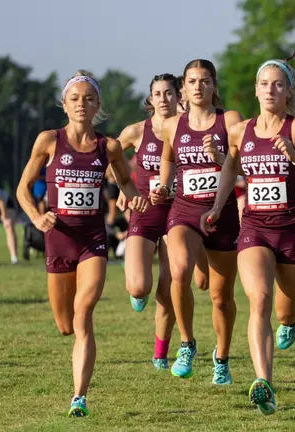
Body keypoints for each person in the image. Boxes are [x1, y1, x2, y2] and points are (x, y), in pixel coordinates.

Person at [200, 57, 295, 415]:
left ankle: (293, 318)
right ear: (256, 89)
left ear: (289, 90)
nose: (270, 90)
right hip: (254, 229)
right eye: (264, 84)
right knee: (258, 300)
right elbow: (231, 166)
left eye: (278, 84)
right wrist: (217, 206)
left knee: (285, 309)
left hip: (291, 232)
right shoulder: (240, 131)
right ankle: (264, 382)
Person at [16, 70, 148, 417]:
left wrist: (138, 198)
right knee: (64, 325)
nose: (81, 104)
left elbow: (127, 186)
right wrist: (36, 217)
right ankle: (77, 374)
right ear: (64, 104)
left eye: (89, 98)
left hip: (92, 240)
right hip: (58, 240)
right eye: (75, 98)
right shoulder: (48, 140)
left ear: (98, 105)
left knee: (83, 313)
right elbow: (22, 188)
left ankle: (79, 397)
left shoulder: (110, 147)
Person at [151, 60, 243, 384]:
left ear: (214, 85)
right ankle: (187, 343)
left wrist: (221, 158)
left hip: (223, 213)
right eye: (192, 81)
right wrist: (164, 185)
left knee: (221, 298)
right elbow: (167, 159)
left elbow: (246, 168)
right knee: (178, 272)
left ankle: (222, 357)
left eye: (204, 81)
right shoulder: (173, 125)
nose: (198, 87)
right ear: (184, 88)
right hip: (185, 210)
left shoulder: (229, 121)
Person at [114, 73, 179, 370]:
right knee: (140, 287)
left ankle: (160, 352)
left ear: (178, 96)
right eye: (158, 94)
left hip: (178, 213)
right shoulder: (136, 131)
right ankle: (136, 290)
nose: (163, 99)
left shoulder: (188, 129)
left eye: (169, 93)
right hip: (144, 210)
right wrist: (123, 188)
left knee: (170, 286)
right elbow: (110, 156)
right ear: (150, 99)